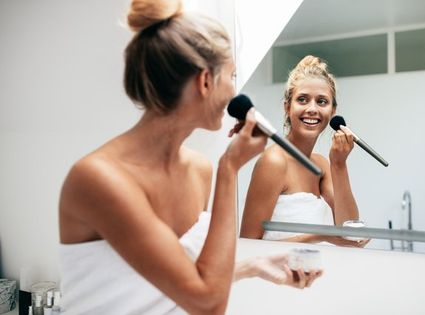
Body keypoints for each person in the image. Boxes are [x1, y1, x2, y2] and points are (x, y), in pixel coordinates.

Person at [58, 1, 322, 314]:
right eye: (231, 77)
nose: (233, 93)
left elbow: (180, 280)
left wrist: (254, 265)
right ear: (205, 82)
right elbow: (208, 303)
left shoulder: (198, 170)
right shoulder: (99, 179)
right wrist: (230, 169)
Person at [240, 55, 369, 247]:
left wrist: (339, 164)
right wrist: (320, 236)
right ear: (287, 107)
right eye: (302, 100)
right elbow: (248, 244)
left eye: (322, 102)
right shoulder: (274, 162)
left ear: (333, 112)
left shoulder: (322, 165)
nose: (312, 109)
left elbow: (350, 231)